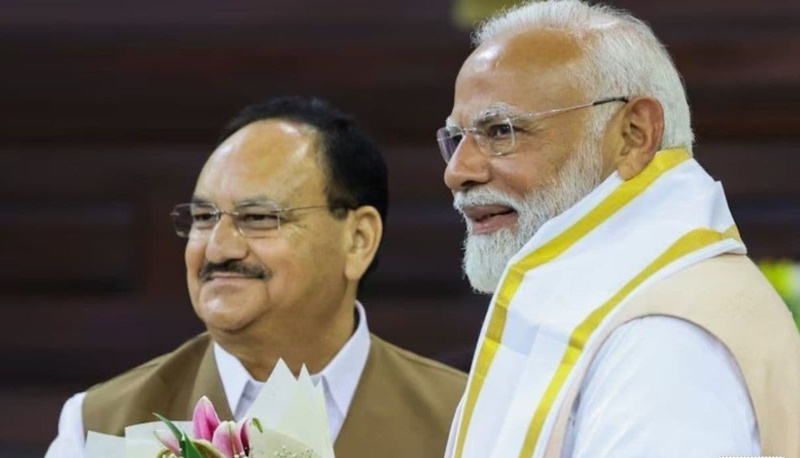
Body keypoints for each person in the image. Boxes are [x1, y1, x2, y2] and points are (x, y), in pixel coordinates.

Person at [436, 1, 800, 457]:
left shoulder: (663, 333)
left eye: (500, 131)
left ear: (634, 134)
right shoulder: (608, 296)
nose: (457, 171)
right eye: (457, 138)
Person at [45, 96, 466, 458]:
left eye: (258, 217)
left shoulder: (465, 418)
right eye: (204, 217)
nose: (218, 249)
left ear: (358, 239)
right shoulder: (98, 424)